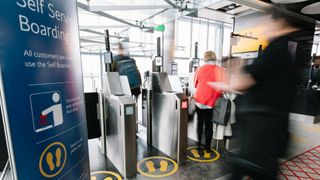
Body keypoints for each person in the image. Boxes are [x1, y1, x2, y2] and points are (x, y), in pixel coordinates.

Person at [209, 9, 303, 179]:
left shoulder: (275, 51)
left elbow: (243, 82)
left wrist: (232, 73)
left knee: (246, 168)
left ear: (278, 23)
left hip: (260, 133)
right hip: (272, 132)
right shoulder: (287, 55)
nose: (263, 29)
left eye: (266, 23)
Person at [193, 51, 228, 154]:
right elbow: (224, 86)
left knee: (200, 123)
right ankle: (207, 147)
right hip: (212, 102)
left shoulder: (199, 69)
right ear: (214, 58)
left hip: (199, 100)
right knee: (209, 125)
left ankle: (199, 146)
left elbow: (195, 84)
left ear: (205, 58)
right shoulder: (221, 70)